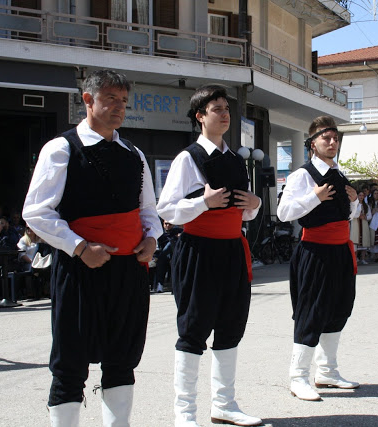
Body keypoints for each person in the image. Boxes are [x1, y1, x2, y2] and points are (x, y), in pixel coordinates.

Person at [22, 70, 162, 426]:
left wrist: (151, 239)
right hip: (80, 269)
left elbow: (148, 210)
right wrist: (80, 247)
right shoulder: (61, 148)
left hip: (128, 271)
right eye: (110, 99)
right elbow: (36, 212)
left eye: (124, 101)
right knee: (70, 361)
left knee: (122, 358)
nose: (118, 107)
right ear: (88, 100)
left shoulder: (133, 153)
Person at [156, 84, 262, 426]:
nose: (225, 113)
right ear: (200, 116)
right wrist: (203, 202)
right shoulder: (188, 158)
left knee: (231, 327)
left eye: (227, 108)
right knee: (194, 328)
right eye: (217, 108)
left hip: (233, 249)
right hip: (198, 250)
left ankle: (224, 404)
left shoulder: (236, 159)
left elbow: (244, 211)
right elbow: (167, 210)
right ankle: (184, 412)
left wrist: (255, 205)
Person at [277, 115, 359, 401]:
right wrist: (314, 196)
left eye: (336, 137)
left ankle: (327, 371)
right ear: (312, 143)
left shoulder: (339, 172)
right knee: (311, 312)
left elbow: (351, 214)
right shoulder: (303, 175)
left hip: (341, 250)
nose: (333, 142)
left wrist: (355, 201)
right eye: (327, 137)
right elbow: (284, 213)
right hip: (315, 250)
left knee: (340, 309)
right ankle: (298, 377)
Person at [153, 220, 180, 293]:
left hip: (175, 254)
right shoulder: (160, 233)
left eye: (170, 224)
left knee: (172, 241)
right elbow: (156, 245)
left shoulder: (177, 231)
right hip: (163, 255)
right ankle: (160, 284)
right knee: (161, 261)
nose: (167, 225)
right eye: (166, 224)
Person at [350, 191, 372, 264]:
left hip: (363, 223)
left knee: (364, 241)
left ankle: (363, 258)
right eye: (360, 195)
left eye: (362, 195)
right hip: (356, 223)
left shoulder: (366, 206)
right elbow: (352, 214)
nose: (361, 197)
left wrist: (365, 217)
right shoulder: (353, 204)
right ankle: (355, 258)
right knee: (355, 241)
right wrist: (358, 216)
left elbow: (370, 216)